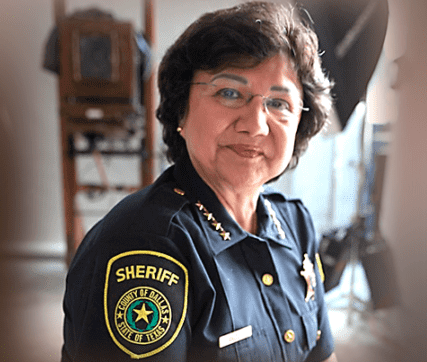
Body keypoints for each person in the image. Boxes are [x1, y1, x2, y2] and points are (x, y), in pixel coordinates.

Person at [61, 2, 337, 361]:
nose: (255, 124)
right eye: (229, 93)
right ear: (181, 111)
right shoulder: (146, 245)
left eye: (279, 103)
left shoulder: (296, 225)